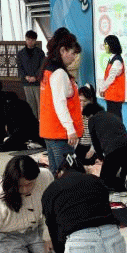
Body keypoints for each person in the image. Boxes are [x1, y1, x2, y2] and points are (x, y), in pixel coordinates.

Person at [39, 30, 83, 174]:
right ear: (63, 51)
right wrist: (70, 130)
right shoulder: (58, 73)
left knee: (56, 172)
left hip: (50, 130)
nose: (74, 57)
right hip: (60, 133)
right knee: (66, 174)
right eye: (73, 53)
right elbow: (60, 104)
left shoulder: (48, 69)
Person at [82, 102, 127, 193]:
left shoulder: (92, 119)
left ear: (90, 114)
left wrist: (101, 157)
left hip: (114, 150)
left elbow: (95, 141)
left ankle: (124, 183)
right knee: (125, 175)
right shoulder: (113, 115)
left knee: (105, 182)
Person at [17, 30, 45, 119]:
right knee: (30, 103)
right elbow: (20, 67)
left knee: (40, 103)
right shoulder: (20, 53)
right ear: (25, 39)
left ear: (35, 40)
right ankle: (33, 122)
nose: (30, 41)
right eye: (28, 39)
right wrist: (26, 76)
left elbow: (42, 67)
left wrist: (36, 77)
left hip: (37, 82)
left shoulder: (40, 52)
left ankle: (41, 122)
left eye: (32, 40)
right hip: (26, 82)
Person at [99, 34, 125, 121]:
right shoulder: (112, 59)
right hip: (111, 95)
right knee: (112, 120)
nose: (104, 46)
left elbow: (111, 78)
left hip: (115, 97)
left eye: (106, 44)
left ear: (111, 45)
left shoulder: (117, 61)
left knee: (115, 120)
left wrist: (102, 89)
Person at [75, 84, 97, 164]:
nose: (82, 103)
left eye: (85, 101)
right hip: (78, 146)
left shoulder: (94, 114)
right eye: (80, 101)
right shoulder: (76, 113)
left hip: (89, 147)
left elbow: (97, 135)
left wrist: (92, 149)